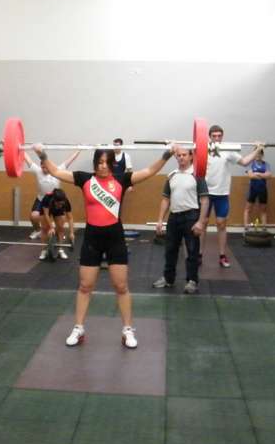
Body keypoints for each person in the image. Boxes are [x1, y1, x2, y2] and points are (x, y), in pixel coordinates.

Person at [32, 142, 176, 349]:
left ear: (112, 164)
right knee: (85, 286)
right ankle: (79, 328)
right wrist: (42, 154)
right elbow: (55, 171)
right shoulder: (84, 179)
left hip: (115, 237)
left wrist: (167, 154)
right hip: (92, 238)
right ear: (95, 164)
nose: (103, 166)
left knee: (121, 286)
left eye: (107, 162)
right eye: (99, 162)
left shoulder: (121, 179)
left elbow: (149, 171)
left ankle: (127, 329)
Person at [152, 146, 209, 294]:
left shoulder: (197, 175)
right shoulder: (172, 175)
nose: (181, 157)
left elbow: (205, 200)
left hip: (191, 217)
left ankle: (192, 281)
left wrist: (201, 222)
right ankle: (168, 279)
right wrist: (160, 220)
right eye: (178, 155)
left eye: (184, 155)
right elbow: (165, 199)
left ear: (191, 156)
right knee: (170, 250)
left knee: (192, 251)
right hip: (174, 217)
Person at [202, 125, 261, 268]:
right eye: (214, 136)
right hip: (205, 193)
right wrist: (172, 145)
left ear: (222, 136)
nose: (217, 138)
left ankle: (222, 256)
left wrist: (257, 149)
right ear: (209, 137)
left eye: (219, 136)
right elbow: (185, 154)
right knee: (202, 224)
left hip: (222, 193)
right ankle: (198, 255)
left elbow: (245, 162)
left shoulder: (228, 150)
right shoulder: (202, 149)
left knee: (221, 224)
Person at [24, 150, 79, 240]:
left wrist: (79, 149)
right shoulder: (38, 171)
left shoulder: (57, 170)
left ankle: (59, 232)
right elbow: (28, 159)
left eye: (46, 167)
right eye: (42, 167)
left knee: (61, 221)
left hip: (55, 201)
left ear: (49, 166)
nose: (44, 169)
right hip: (41, 199)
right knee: (34, 216)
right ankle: (38, 230)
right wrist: (20, 149)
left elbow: (70, 160)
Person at [40, 188, 75, 260]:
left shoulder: (66, 201)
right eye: (58, 203)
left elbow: (70, 218)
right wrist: (51, 227)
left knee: (61, 227)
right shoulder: (47, 198)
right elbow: (46, 214)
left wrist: (71, 233)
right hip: (47, 210)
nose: (60, 205)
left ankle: (60, 249)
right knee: (44, 228)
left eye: (62, 204)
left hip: (58, 211)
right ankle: (44, 250)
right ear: (54, 200)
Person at [243, 146, 272, 229]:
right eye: (257, 153)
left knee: (263, 210)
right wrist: (263, 175)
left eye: (260, 154)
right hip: (252, 189)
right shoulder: (250, 164)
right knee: (248, 209)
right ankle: (246, 227)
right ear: (254, 154)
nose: (258, 155)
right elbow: (251, 176)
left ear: (262, 155)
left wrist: (257, 174)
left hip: (262, 189)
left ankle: (264, 227)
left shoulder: (266, 164)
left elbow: (269, 175)